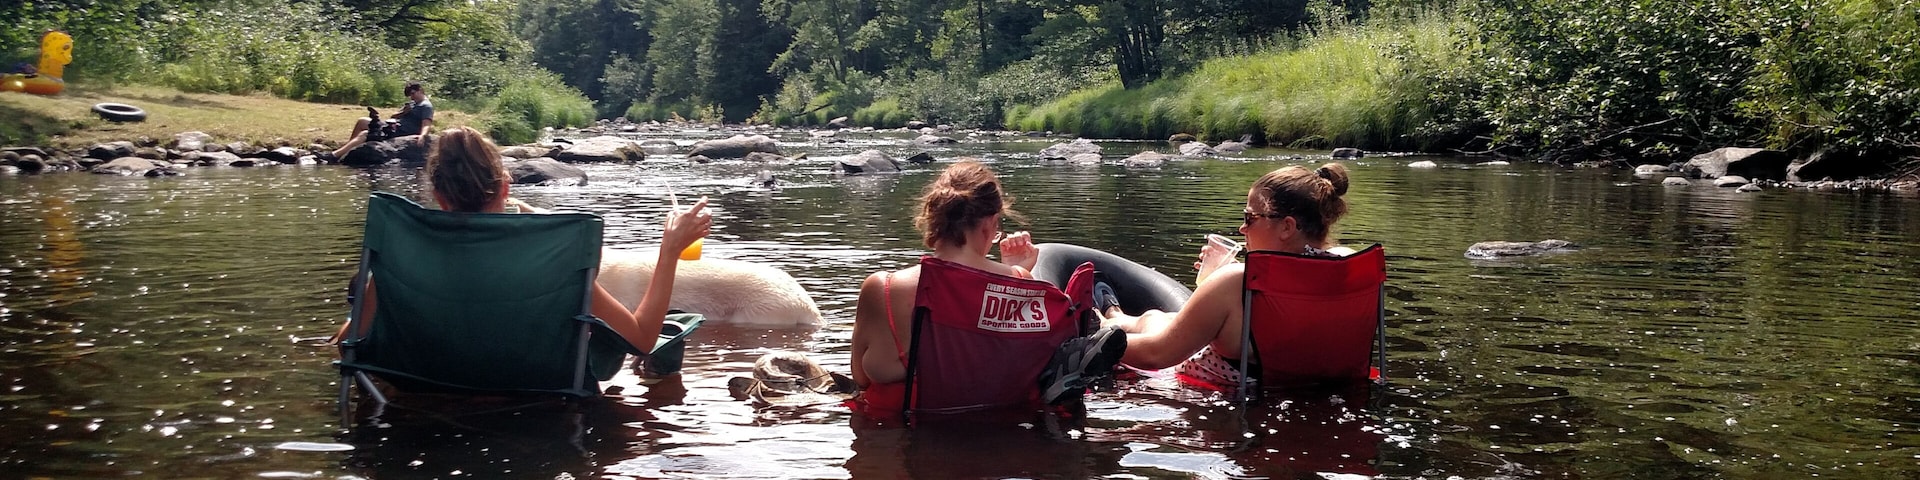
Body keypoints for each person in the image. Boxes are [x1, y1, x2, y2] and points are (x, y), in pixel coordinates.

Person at [334, 126, 711, 355]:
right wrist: (669, 252)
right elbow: (643, 339)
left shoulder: (404, 254)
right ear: (505, 186)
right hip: (541, 408)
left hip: (426, 393)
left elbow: (346, 346)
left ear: (437, 194)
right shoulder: (553, 259)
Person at [1101, 163, 1352, 389]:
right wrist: (1231, 273)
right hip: (1306, 392)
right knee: (1157, 318)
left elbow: (1155, 355)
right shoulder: (1349, 268)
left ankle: (1106, 324)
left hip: (1216, 404)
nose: (1242, 228)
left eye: (1250, 218)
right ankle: (1117, 317)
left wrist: (1092, 344)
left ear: (1287, 227)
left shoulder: (1235, 284)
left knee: (1154, 321)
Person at [330, 82, 434, 158]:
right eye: (409, 95)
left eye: (413, 94)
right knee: (362, 121)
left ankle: (335, 155)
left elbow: (426, 124)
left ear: (420, 90)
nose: (411, 97)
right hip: (393, 126)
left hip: (402, 131)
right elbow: (393, 116)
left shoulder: (426, 106)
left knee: (366, 133)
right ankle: (346, 150)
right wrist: (403, 112)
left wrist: (422, 136)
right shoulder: (412, 104)